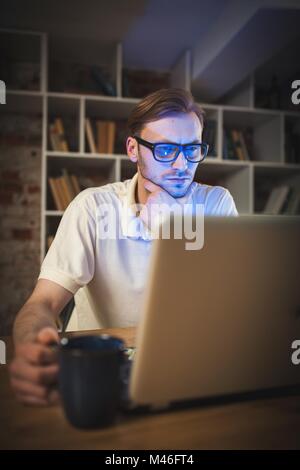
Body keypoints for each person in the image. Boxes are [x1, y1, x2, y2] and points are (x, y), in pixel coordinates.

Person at [10, 88, 238, 406]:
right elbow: (42, 304)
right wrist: (33, 349)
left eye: (192, 149)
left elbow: (232, 310)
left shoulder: (215, 204)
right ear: (133, 149)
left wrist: (171, 229)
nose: (182, 164)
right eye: (165, 150)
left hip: (186, 366)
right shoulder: (92, 207)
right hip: (99, 371)